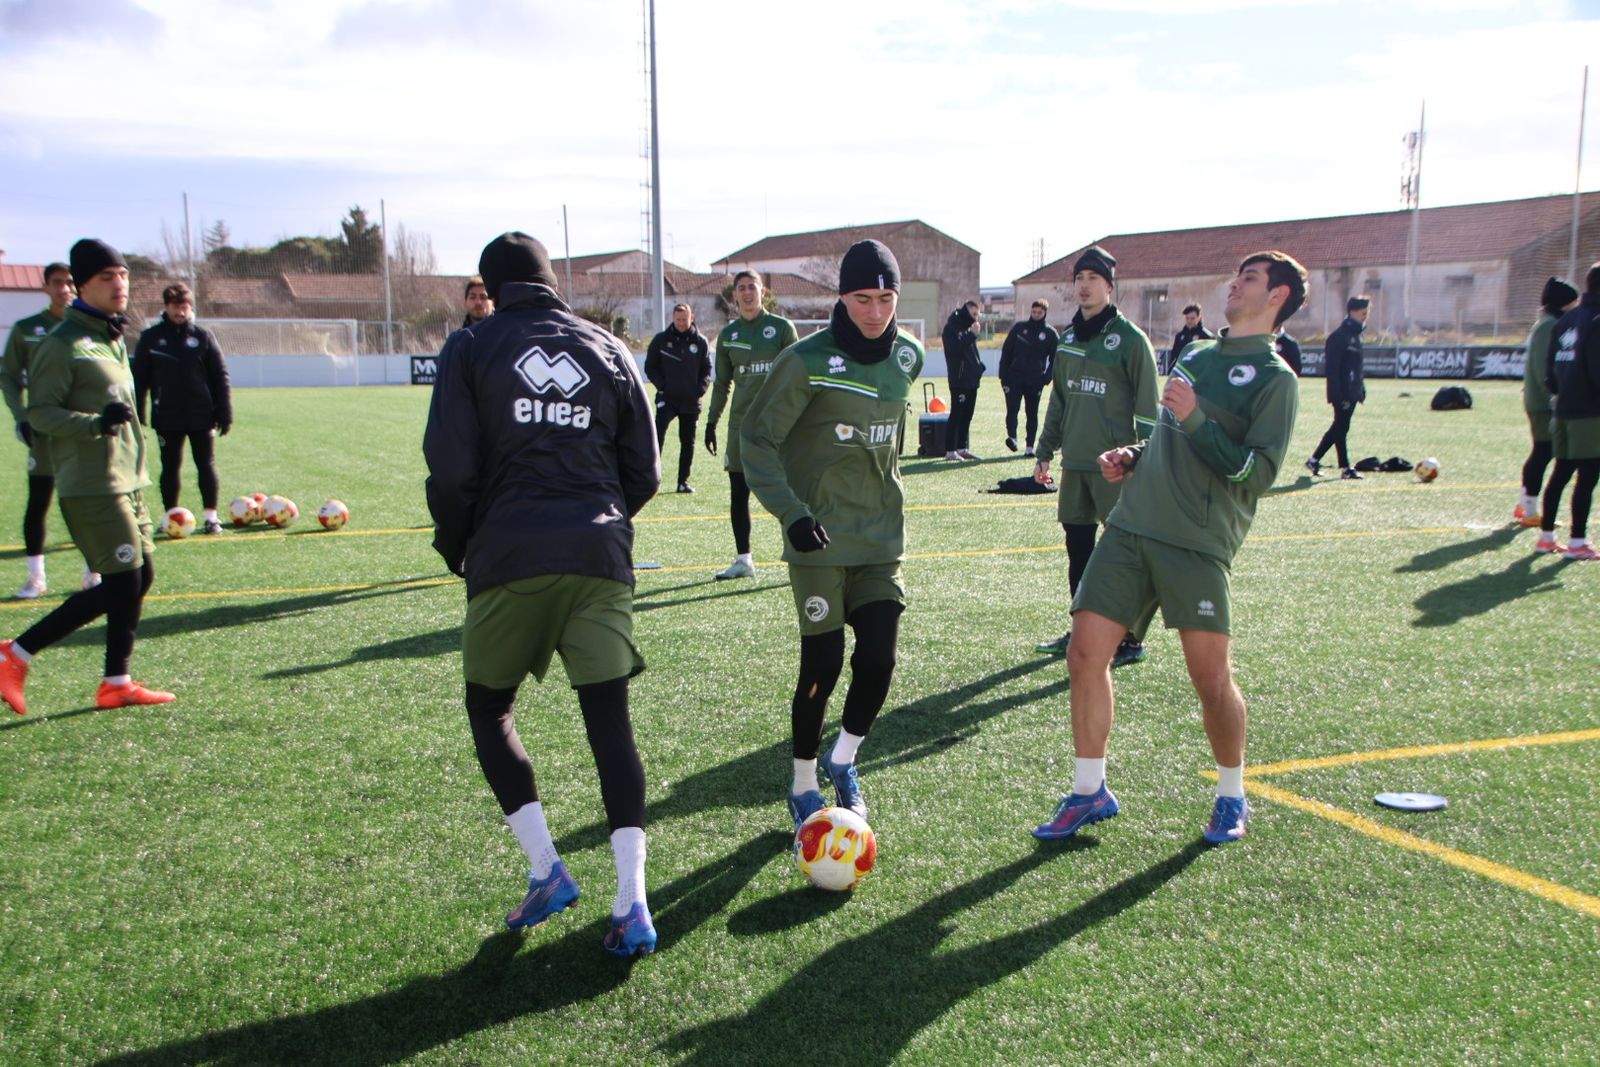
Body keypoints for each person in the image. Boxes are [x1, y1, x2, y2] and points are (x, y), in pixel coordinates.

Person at [423, 231, 661, 956]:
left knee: (489, 705)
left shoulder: (470, 346)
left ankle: (546, 868)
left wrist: (456, 542)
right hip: (599, 550)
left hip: (509, 549)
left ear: (490, 289)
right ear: (552, 284)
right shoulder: (609, 345)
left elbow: (451, 464)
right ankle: (634, 902)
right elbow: (644, 470)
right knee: (609, 722)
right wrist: (596, 520)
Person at [1032, 250, 1305, 847]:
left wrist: (1200, 418)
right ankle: (1089, 791)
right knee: (1084, 655)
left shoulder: (1276, 380)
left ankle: (1231, 795)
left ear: (1278, 297)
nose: (1234, 285)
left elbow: (1256, 475)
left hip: (1197, 543)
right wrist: (1133, 456)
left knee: (1210, 679)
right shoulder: (1199, 353)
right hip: (1132, 526)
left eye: (1250, 280)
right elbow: (1165, 433)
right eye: (1236, 276)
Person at [739, 240, 923, 831]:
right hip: (816, 538)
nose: (876, 311)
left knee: (879, 658)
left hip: (879, 539)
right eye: (863, 298)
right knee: (822, 661)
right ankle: (800, 783)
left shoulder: (909, 357)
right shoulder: (806, 359)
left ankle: (842, 759)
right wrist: (790, 512)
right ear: (842, 297)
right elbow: (757, 439)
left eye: (887, 298)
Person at [0, 239, 175, 716]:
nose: (119, 284)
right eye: (106, 277)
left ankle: (116, 682)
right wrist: (94, 424)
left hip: (126, 479)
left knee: (140, 576)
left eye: (122, 275)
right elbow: (40, 413)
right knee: (122, 581)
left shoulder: (109, 335)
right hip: (92, 482)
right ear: (81, 285)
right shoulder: (62, 343)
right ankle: (13, 655)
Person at [1031, 246, 1157, 667]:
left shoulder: (1132, 341)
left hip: (1115, 470)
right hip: (1076, 466)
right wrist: (1045, 450)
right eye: (1079, 278)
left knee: (1124, 552)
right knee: (1079, 549)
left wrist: (1143, 459)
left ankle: (1131, 637)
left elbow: (1149, 413)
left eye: (1093, 278)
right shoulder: (1067, 338)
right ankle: (1083, 629)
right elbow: (1059, 401)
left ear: (1109, 285)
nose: (1084, 286)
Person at [1, 261, 98, 598]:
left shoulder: (89, 328)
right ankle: (35, 577)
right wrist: (21, 417)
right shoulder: (27, 329)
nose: (64, 289)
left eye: (70, 283)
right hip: (44, 432)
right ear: (45, 287)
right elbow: (9, 376)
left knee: (87, 503)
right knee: (39, 501)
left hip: (84, 431)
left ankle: (93, 573)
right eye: (57, 283)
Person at [705, 271, 797, 580]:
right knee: (738, 492)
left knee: (790, 491)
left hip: (778, 425)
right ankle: (744, 560)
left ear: (763, 292)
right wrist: (711, 421)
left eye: (752, 287)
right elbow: (721, 385)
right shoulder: (729, 335)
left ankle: (801, 555)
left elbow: (797, 379)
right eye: (741, 288)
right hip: (741, 427)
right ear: (735, 295)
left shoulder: (782, 329)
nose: (747, 293)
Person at [133, 282, 232, 534]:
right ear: (166, 307)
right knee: (170, 466)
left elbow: (220, 375)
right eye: (177, 306)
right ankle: (170, 516)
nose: (182, 311)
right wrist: (138, 411)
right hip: (167, 415)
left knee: (206, 464)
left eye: (186, 306)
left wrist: (224, 411)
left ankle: (211, 517)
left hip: (201, 414)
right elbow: (139, 379)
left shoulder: (202, 337)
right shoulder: (151, 338)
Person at [1535, 262, 1600, 561]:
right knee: (1587, 477)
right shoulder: (1596, 320)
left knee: (1561, 472)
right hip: (1589, 411)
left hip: (1562, 409)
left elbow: (1550, 373)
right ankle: (1577, 542)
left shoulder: (1565, 320)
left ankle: (1546, 538)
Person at [1515, 278, 1579, 526]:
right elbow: (1545, 368)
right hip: (1543, 404)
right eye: (1572, 302)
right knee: (1543, 451)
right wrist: (1554, 396)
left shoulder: (1549, 324)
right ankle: (1529, 509)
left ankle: (1526, 505)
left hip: (1542, 401)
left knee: (1543, 452)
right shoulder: (1548, 326)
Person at [644, 303, 712, 493]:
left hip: (691, 400)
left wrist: (699, 390)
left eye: (685, 319)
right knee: (657, 437)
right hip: (668, 398)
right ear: (673, 319)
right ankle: (651, 481)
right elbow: (650, 367)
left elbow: (707, 370)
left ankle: (683, 482)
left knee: (688, 442)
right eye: (678, 319)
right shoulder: (661, 340)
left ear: (692, 317)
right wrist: (663, 386)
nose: (681, 323)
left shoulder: (700, 342)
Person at [1306, 296, 1368, 479]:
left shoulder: (1357, 336)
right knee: (1341, 427)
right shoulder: (1338, 337)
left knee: (1339, 427)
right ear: (1352, 312)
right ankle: (1345, 468)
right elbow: (1332, 369)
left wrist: (1360, 388)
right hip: (1342, 392)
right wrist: (1337, 395)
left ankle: (1314, 460)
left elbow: (1357, 367)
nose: (1366, 316)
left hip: (1352, 391)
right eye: (1364, 312)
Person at [997, 299, 1057, 455]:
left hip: (1035, 380)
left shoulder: (1050, 333)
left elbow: (1056, 357)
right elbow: (1007, 351)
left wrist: (1047, 376)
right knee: (1012, 409)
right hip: (1014, 378)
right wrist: (1003, 375)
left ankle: (1030, 447)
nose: (1036, 315)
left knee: (1032, 413)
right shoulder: (1019, 328)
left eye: (1040, 312)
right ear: (1031, 311)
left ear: (1045, 313)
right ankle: (1012, 438)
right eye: (1034, 312)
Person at [941, 300, 984, 460]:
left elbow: (971, 353)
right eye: (973, 314)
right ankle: (950, 450)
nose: (975, 318)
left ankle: (962, 447)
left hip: (971, 378)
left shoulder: (967, 329)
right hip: (959, 379)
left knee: (967, 414)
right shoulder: (952, 328)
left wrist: (979, 367)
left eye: (977, 315)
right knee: (957, 414)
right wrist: (971, 334)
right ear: (966, 312)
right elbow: (955, 349)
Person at [1166, 304, 1214, 374]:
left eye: (1192, 318)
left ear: (1199, 318)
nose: (1189, 321)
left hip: (1199, 373)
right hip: (1182, 372)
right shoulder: (1180, 336)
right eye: (1187, 318)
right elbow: (1174, 356)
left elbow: (1211, 358)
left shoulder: (1207, 336)